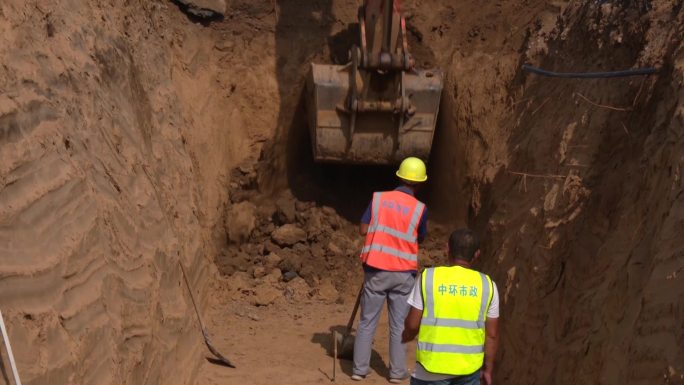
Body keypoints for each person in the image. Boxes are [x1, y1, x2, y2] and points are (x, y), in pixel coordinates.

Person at [352, 157, 429, 383]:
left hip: (376, 270)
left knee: (367, 321)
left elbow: (363, 229)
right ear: (420, 183)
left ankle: (359, 370)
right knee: (399, 325)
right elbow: (420, 237)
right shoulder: (420, 209)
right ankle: (396, 373)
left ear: (399, 177)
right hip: (403, 274)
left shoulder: (379, 199)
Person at [401, 229, 500, 385]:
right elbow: (491, 335)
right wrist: (488, 369)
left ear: (448, 249)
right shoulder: (488, 286)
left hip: (430, 370)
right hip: (468, 371)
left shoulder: (428, 278)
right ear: (477, 254)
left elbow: (413, 324)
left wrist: (406, 335)